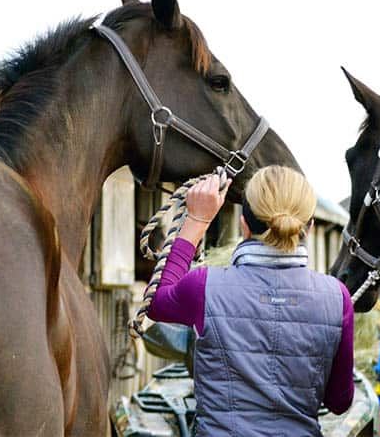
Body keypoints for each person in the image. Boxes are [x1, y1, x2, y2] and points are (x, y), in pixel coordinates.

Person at [147, 165, 355, 436]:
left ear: (242, 224)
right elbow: (340, 403)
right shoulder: (337, 298)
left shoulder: (204, 285)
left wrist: (197, 220)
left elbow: (156, 302)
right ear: (310, 227)